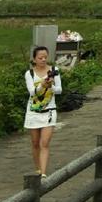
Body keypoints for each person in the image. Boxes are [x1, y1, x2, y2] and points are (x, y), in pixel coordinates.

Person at [25, 45, 62, 177]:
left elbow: (59, 90)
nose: (43, 60)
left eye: (45, 57)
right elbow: (32, 92)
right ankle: (38, 169)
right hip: (33, 112)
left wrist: (50, 86)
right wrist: (42, 85)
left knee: (44, 143)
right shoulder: (29, 74)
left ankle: (44, 173)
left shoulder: (54, 70)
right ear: (34, 59)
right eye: (40, 57)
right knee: (35, 143)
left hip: (49, 111)